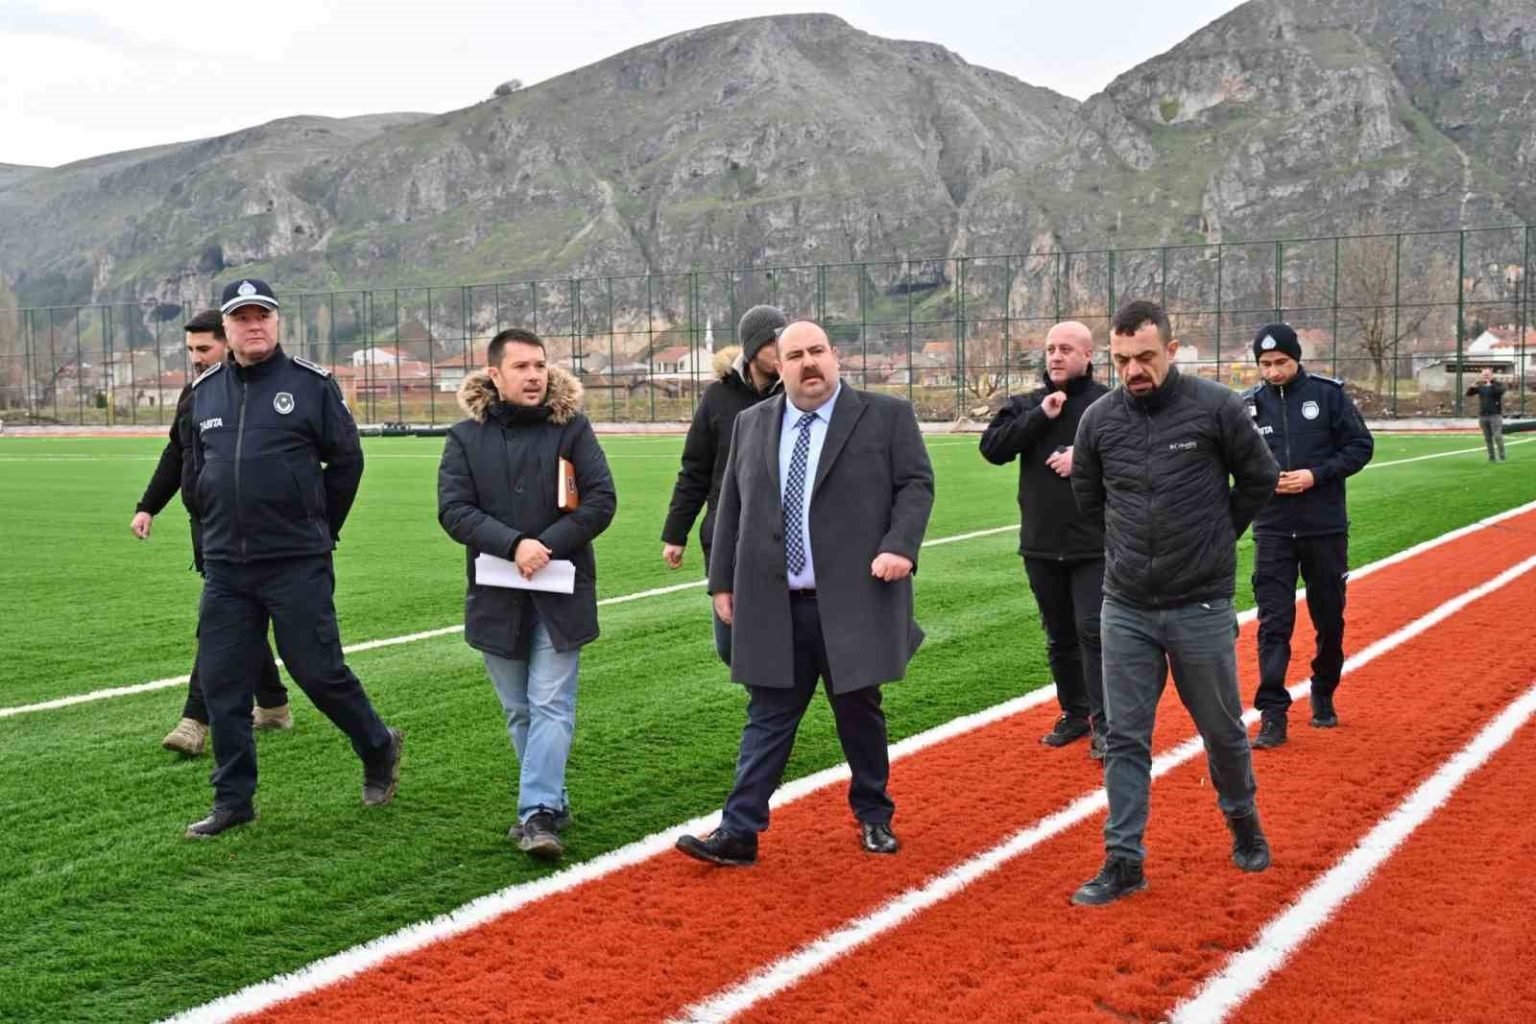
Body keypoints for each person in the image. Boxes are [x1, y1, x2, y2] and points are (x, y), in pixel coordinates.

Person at [676, 319, 934, 867]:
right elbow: (730, 508)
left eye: (817, 351)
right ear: (780, 365)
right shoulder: (751, 423)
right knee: (767, 717)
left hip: (853, 601)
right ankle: (739, 830)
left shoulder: (886, 416)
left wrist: (900, 546)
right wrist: (722, 582)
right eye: (795, 355)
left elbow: (915, 484)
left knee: (859, 714)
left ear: (834, 355)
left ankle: (874, 816)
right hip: (774, 603)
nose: (808, 362)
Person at [1069, 300, 1280, 906]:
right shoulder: (1099, 421)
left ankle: (1242, 818)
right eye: (1122, 360)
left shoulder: (1216, 407)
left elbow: (1260, 478)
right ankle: (1124, 859)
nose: (1134, 370)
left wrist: (1217, 535)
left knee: (1222, 730)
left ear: (1171, 349)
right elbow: (1089, 496)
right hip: (1126, 605)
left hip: (1200, 605)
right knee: (1124, 737)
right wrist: (1129, 548)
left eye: (1145, 357)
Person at [184, 278, 401, 838]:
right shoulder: (204, 391)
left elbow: (347, 462)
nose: (253, 325)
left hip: (295, 561)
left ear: (277, 322)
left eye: (262, 315)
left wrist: (319, 527)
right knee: (223, 684)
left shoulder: (311, 385)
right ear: (227, 328)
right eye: (242, 317)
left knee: (317, 671)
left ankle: (377, 745)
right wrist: (206, 532)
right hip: (227, 569)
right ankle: (233, 800)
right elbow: (195, 469)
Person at [438, 328, 617, 861]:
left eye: (540, 365)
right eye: (521, 367)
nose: (534, 375)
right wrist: (514, 545)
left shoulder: (573, 428)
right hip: (497, 597)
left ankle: (536, 813)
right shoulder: (464, 437)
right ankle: (551, 802)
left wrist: (547, 546)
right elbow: (454, 510)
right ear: (495, 375)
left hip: (561, 593)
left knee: (551, 703)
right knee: (520, 710)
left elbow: (601, 500)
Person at [130, 309, 291, 756]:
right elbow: (176, 453)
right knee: (241, 617)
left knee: (219, 624)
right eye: (191, 350)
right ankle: (273, 705)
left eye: (205, 348)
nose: (196, 358)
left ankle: (194, 720)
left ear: (230, 342)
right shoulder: (196, 393)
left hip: (257, 534)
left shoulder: (262, 392)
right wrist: (148, 506)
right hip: (209, 530)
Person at [979, 320, 1111, 757]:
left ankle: (1107, 725)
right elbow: (993, 449)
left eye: (1066, 349)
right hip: (1040, 544)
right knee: (1059, 636)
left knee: (1094, 632)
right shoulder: (1027, 404)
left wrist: (1083, 459)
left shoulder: (1108, 404)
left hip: (1094, 544)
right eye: (1051, 349)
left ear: (1088, 355)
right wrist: (1040, 416)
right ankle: (1075, 713)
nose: (1056, 356)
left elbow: (1137, 456)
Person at [1244, 323, 1374, 746]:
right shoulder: (1247, 406)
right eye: (1265, 364)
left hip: (1324, 528)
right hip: (1273, 530)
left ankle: (1323, 688)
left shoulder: (1328, 395)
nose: (1273, 371)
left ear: (1296, 359)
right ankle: (1273, 713)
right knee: (1273, 623)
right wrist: (1266, 481)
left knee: (1329, 618)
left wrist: (1315, 475)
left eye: (1280, 362)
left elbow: (1360, 447)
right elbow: (1234, 462)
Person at [661, 305, 785, 663]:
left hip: (781, 534)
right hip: (727, 535)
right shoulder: (717, 398)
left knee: (780, 642)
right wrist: (676, 533)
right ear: (752, 347)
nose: (781, 351)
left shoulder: (795, 395)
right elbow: (695, 469)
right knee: (731, 647)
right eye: (772, 343)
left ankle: (776, 694)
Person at [1467, 367, 1508, 462]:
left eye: (1487, 374)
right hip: (1483, 415)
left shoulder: (1498, 384)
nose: (1485, 376)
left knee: (1497, 436)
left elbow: (1501, 391)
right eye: (1484, 374)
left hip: (1495, 415)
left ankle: (1502, 457)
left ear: (1491, 375)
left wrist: (1491, 384)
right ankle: (1491, 457)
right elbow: (1469, 394)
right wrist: (1472, 387)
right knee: (1488, 438)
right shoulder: (1480, 385)